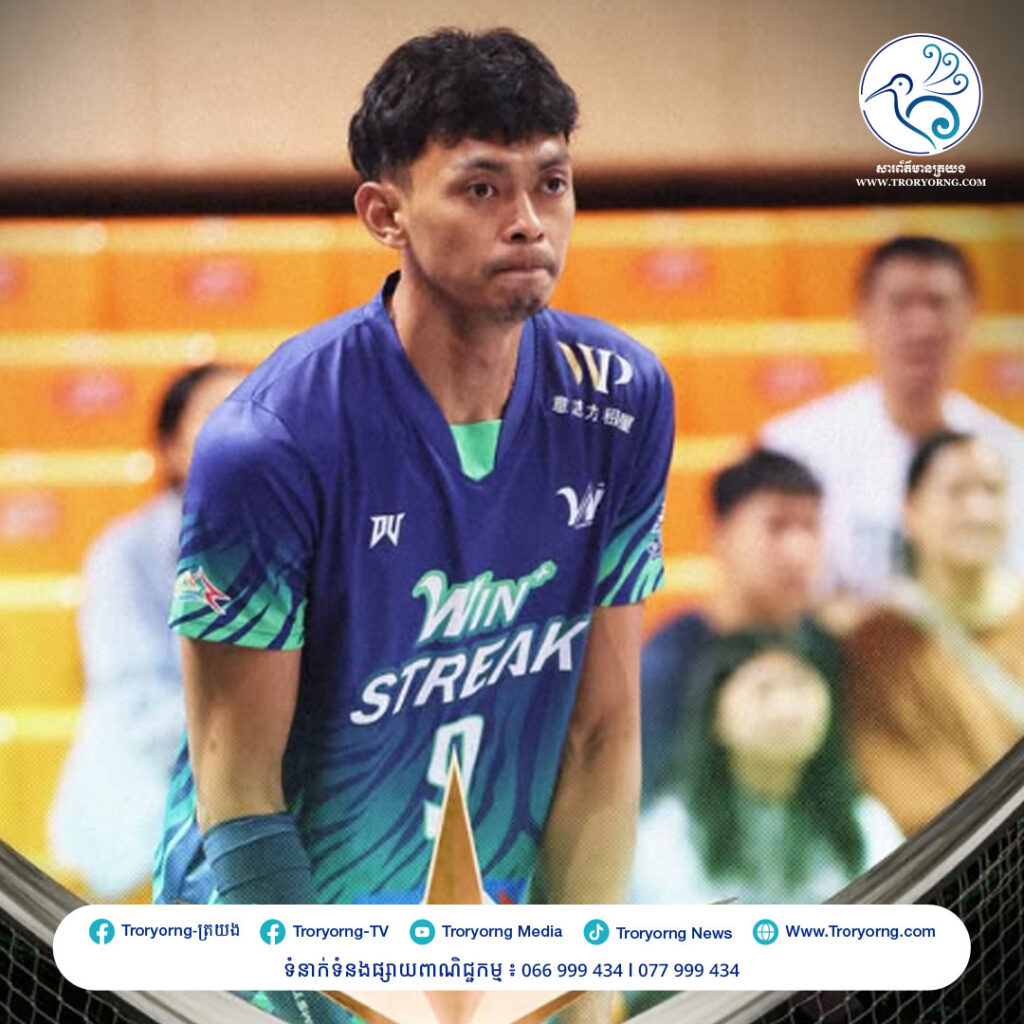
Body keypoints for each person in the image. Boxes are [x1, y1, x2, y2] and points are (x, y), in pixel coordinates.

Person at [153, 28, 673, 1023]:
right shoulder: (268, 441)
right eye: (481, 188)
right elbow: (237, 784)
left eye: (551, 183)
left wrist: (577, 989)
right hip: (261, 954)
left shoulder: (621, 398)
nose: (529, 223)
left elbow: (602, 734)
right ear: (383, 214)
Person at [48, 363, 244, 900]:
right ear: (171, 447)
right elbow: (136, 703)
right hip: (146, 808)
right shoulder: (124, 552)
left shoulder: (299, 544)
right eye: (217, 416)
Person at [628, 638, 902, 1017]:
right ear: (716, 715)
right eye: (764, 689)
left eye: (801, 686)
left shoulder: (864, 821)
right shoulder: (667, 834)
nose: (786, 707)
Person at [762, 236, 1024, 602]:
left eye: (938, 304)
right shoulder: (795, 448)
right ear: (863, 317)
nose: (922, 326)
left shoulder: (1009, 453)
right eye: (900, 304)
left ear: (971, 318)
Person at [844, 430, 1024, 836]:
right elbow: (901, 794)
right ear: (910, 511)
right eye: (956, 492)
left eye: (992, 491)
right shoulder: (876, 646)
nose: (978, 511)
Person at [641, 449, 833, 796]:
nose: (798, 551)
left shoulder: (824, 648)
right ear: (719, 535)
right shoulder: (667, 662)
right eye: (776, 526)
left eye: (810, 526)